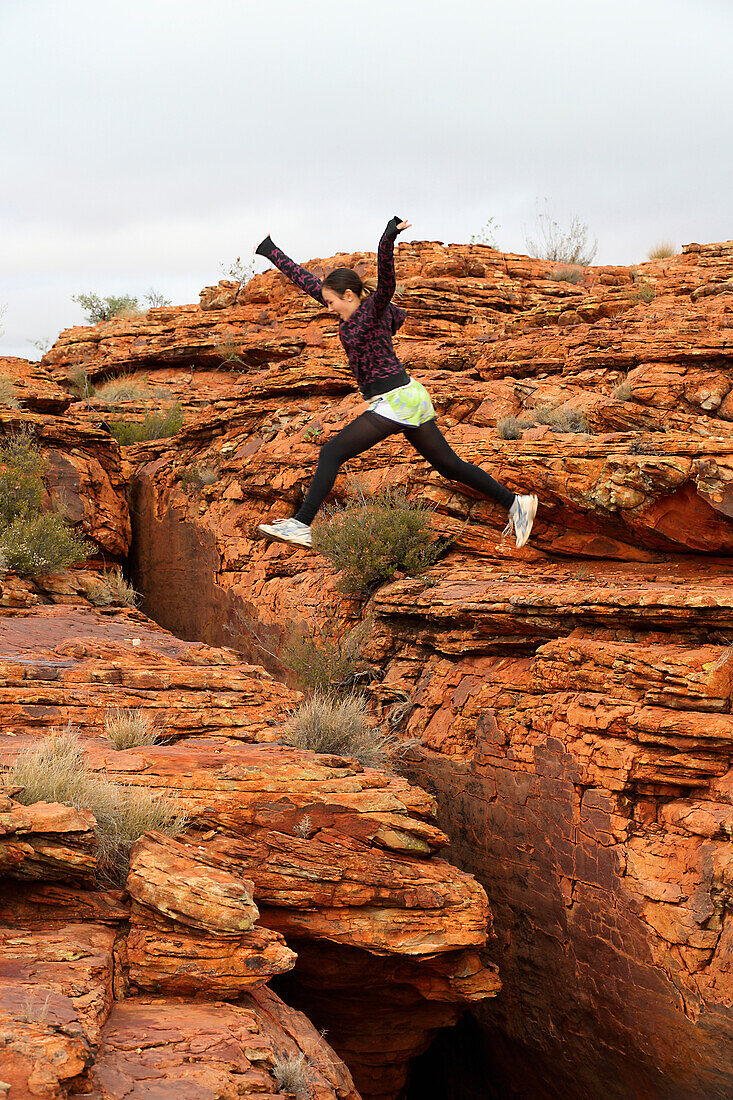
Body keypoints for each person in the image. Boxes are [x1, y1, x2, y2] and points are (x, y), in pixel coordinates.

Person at [254, 216, 538, 550]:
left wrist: (387, 239)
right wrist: (271, 252)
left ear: (349, 294)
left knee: (331, 453)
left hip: (396, 399)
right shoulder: (347, 309)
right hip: (402, 397)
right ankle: (516, 503)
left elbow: (387, 281)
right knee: (449, 466)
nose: (329, 308)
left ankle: (302, 524)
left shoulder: (372, 310)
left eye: (331, 303)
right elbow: (306, 281)